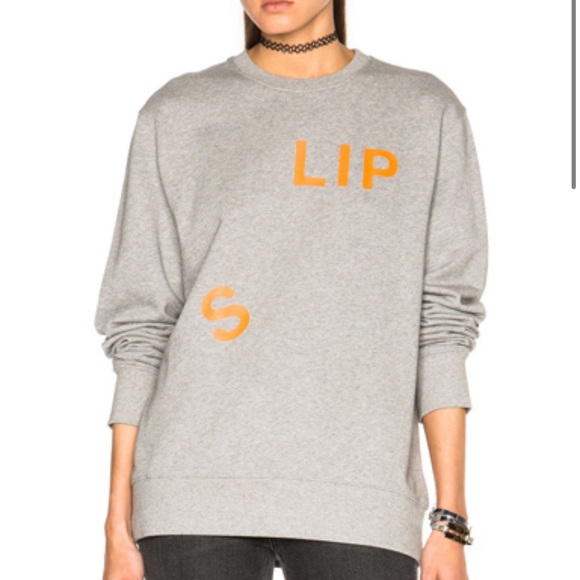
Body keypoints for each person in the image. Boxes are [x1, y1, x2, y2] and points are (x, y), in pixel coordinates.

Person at [95, 1, 488, 579]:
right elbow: (141, 325)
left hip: (361, 492)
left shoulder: (423, 110)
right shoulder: (178, 112)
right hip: (191, 485)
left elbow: (443, 323)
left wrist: (449, 521)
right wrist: (116, 523)